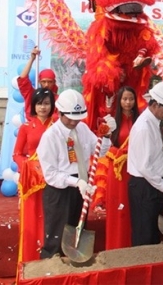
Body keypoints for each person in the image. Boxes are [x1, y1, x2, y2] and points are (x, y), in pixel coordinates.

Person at [37, 89, 115, 258]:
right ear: (59, 112)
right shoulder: (51, 136)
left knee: (77, 234)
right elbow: (50, 174)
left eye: (78, 118)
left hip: (82, 186)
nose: (74, 122)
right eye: (70, 118)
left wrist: (107, 136)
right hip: (61, 191)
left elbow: (99, 151)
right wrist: (75, 182)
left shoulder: (83, 128)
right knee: (57, 238)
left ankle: (73, 273)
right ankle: (50, 273)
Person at [127, 81, 163, 246]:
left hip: (155, 183)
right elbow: (144, 166)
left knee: (153, 233)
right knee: (145, 234)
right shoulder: (144, 127)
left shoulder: (156, 122)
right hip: (145, 186)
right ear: (155, 104)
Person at [14, 88, 54, 263]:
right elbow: (17, 154)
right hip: (32, 182)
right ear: (33, 106)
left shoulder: (58, 126)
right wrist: (31, 167)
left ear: (52, 105)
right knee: (32, 221)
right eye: (39, 103)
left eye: (46, 103)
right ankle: (30, 263)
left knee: (50, 220)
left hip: (54, 180)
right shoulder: (25, 128)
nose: (43, 107)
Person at [102, 86, 140, 249]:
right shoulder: (112, 121)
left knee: (133, 207)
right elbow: (103, 146)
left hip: (134, 168)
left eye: (131, 99)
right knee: (118, 207)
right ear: (119, 101)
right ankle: (115, 245)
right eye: (125, 99)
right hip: (117, 170)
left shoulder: (140, 120)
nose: (128, 102)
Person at [17, 46, 58, 121]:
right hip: (33, 129)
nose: (46, 84)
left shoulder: (59, 99)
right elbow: (22, 79)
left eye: (50, 82)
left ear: (54, 82)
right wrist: (32, 59)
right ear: (39, 81)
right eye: (44, 81)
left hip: (51, 129)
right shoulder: (32, 95)